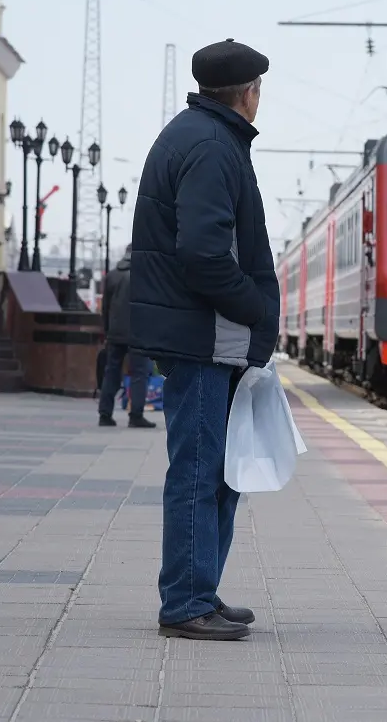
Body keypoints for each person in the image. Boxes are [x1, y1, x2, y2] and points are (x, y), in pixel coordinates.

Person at [131, 38, 278, 641]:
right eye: (260, 90)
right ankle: (187, 602)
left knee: (214, 471)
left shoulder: (200, 135)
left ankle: (199, 592)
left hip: (203, 335)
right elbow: (205, 255)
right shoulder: (213, 146)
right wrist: (259, 309)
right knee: (198, 470)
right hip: (203, 335)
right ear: (248, 93)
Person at [98, 244, 156, 429]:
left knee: (111, 371)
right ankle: (136, 415)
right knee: (140, 373)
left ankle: (105, 414)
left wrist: (107, 331)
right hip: (139, 333)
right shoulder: (146, 276)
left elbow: (105, 308)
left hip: (115, 334)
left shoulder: (112, 275)